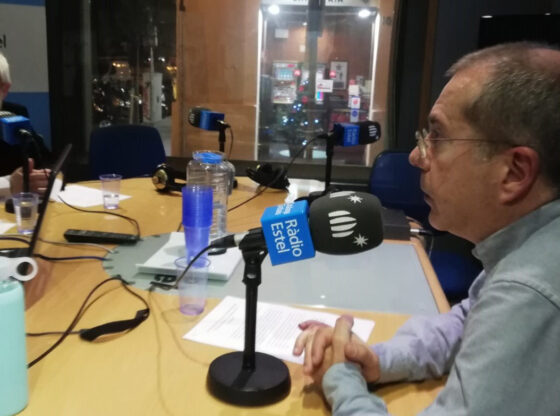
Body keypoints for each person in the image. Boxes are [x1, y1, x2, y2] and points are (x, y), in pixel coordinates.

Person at [293, 42, 560, 415]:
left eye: (438, 137)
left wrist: (339, 379)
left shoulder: (530, 291)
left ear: (514, 173)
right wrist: (375, 358)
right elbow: (469, 318)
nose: (416, 156)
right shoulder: (529, 248)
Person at [1, 51, 50, 199]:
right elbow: (15, 185)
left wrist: (41, 177)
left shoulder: (15, 115)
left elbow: (46, 161)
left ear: (4, 89)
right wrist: (9, 186)